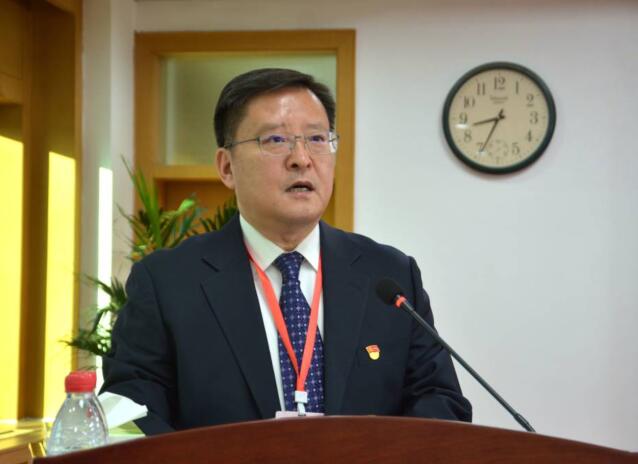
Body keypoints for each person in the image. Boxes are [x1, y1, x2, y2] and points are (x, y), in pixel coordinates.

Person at [102, 68, 472, 435]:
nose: (302, 158)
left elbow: (439, 399)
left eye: (317, 138)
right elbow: (132, 413)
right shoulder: (168, 283)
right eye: (276, 140)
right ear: (227, 167)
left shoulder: (389, 275)